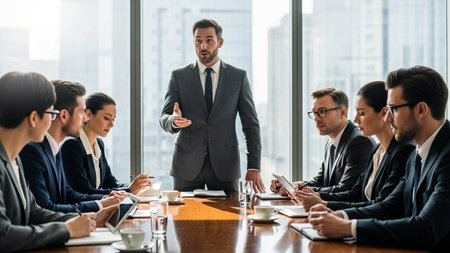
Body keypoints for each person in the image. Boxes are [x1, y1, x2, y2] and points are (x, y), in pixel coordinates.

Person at [308, 66, 450, 251]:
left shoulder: (444, 156)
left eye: (393, 110)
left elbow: (427, 228)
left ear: (421, 109)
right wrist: (340, 215)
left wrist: (348, 228)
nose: (388, 118)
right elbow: (390, 206)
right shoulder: (417, 153)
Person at [0, 71, 116, 252]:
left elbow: (33, 212)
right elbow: (3, 235)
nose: (52, 119)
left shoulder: (14, 160)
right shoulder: (15, 158)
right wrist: (67, 229)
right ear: (33, 118)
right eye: (51, 113)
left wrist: (88, 218)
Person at [160, 18, 264, 192]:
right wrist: (173, 120)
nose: (203, 46)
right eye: (198, 41)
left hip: (226, 166)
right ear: (193, 42)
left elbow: (251, 125)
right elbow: (164, 117)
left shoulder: (238, 77)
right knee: (183, 217)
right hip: (186, 166)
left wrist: (254, 166)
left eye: (209, 40)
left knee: (229, 219)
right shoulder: (179, 76)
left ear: (220, 42)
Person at [290, 81, 414, 211]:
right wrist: (316, 196)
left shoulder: (403, 150)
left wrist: (325, 204)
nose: (355, 119)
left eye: (361, 113)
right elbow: (356, 193)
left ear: (383, 113)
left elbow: (383, 206)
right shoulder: (377, 150)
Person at [20, 80, 123, 213]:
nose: (85, 119)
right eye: (81, 113)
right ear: (63, 115)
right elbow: (45, 208)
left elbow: (68, 194)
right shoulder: (32, 151)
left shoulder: (53, 149)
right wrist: (100, 205)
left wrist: (103, 200)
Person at [271, 88, 375, 194]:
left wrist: (299, 190)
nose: (316, 118)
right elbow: (321, 180)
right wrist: (292, 186)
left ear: (342, 112)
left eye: (322, 111)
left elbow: (347, 189)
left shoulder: (360, 142)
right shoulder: (331, 142)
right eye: (314, 113)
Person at [61, 92, 151, 195]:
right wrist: (129, 190)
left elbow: (110, 183)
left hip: (100, 208)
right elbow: (84, 191)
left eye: (113, 119)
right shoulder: (71, 146)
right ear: (88, 114)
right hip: (83, 210)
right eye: (107, 118)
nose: (111, 124)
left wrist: (138, 186)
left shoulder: (99, 144)